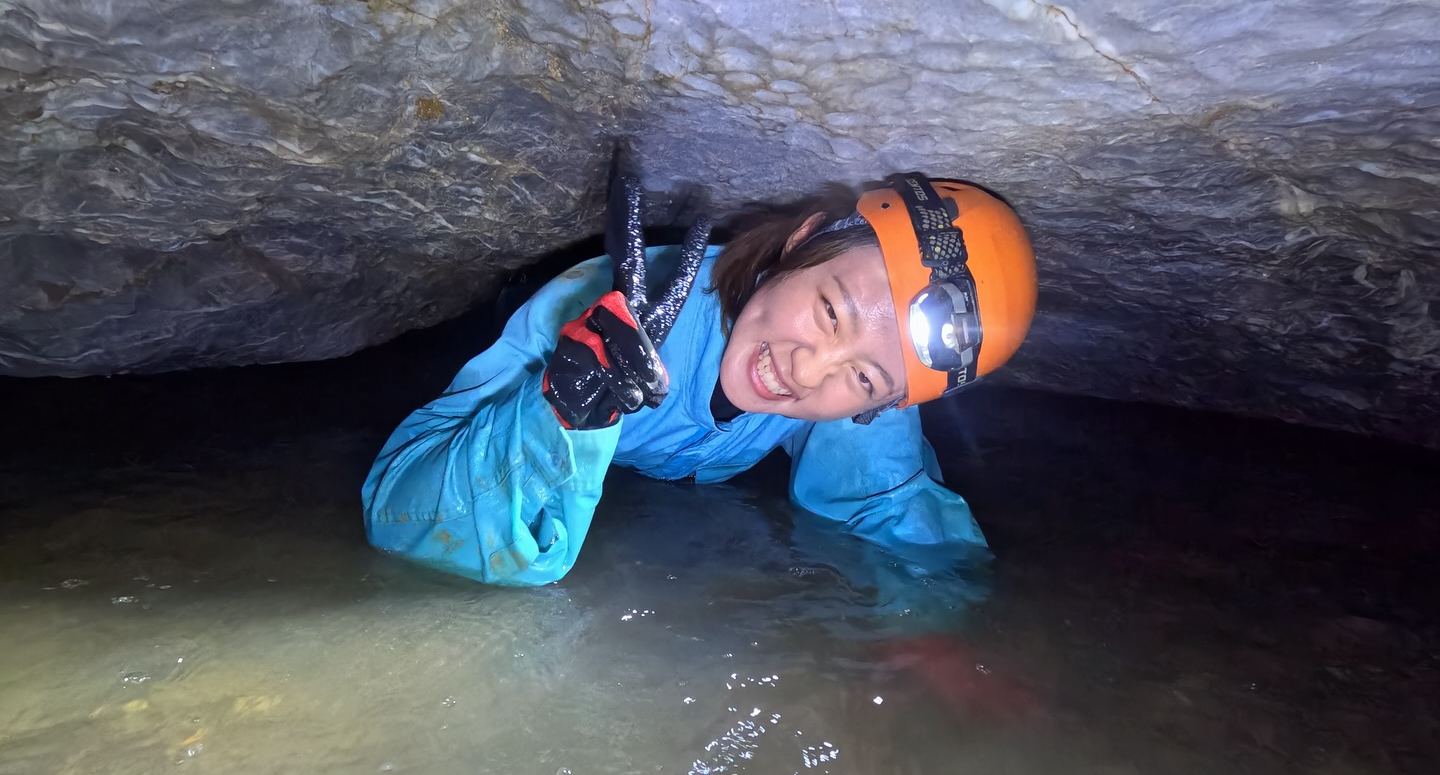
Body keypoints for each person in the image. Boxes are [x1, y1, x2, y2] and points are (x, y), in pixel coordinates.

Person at [362, 166, 1038, 587]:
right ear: (802, 242)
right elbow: (397, 516)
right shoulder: (600, 310)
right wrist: (557, 413)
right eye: (830, 310)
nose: (807, 368)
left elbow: (893, 508)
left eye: (865, 379)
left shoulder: (860, 401)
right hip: (523, 328)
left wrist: (956, 628)